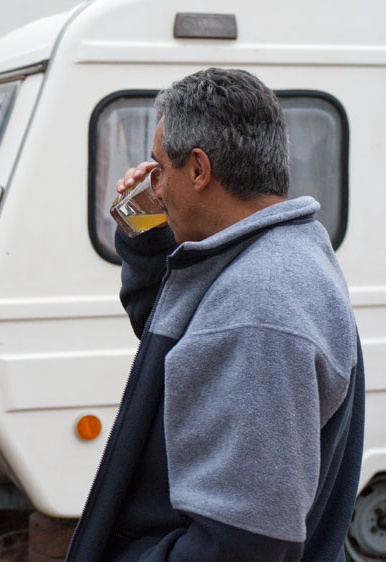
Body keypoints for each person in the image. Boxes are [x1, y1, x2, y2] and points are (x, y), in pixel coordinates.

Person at [66, 68, 364, 561]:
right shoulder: (271, 255)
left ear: (199, 170)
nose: (155, 186)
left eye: (161, 167)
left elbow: (244, 544)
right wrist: (145, 233)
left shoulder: (260, 307)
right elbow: (176, 343)